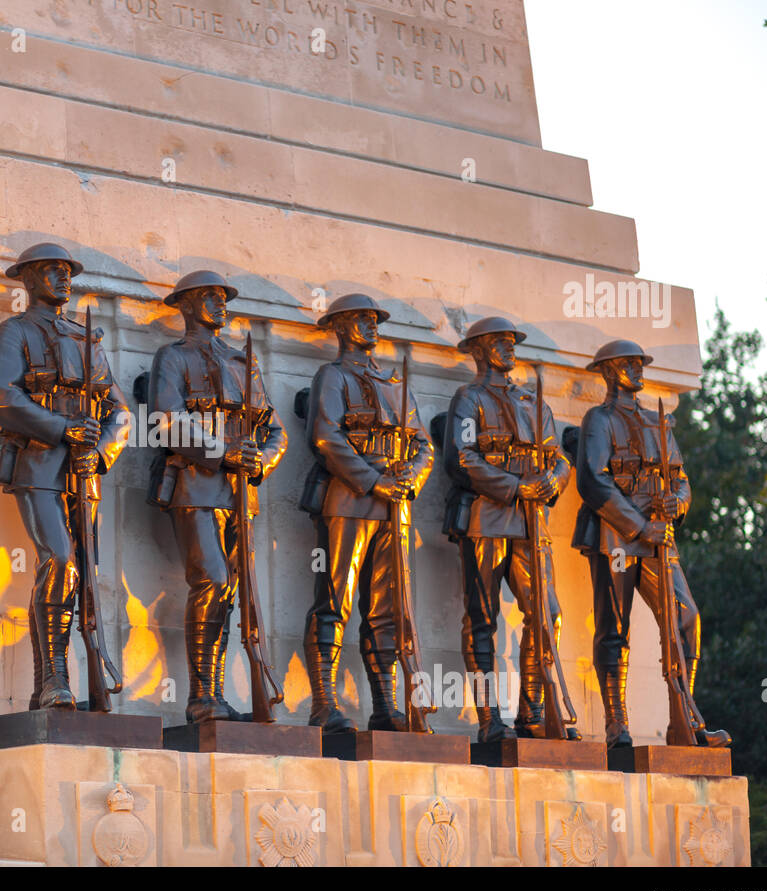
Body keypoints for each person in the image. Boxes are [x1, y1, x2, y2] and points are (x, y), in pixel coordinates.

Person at [0, 242, 130, 709]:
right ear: (27, 280)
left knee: (84, 574)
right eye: (51, 270)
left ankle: (65, 683)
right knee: (60, 561)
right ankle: (52, 679)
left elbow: (120, 412)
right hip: (38, 463)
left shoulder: (87, 338)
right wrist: (64, 428)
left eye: (67, 271)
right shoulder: (16, 331)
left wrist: (103, 450)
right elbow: (2, 398)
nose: (63, 278)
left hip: (84, 471)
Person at [572, 339, 730, 748]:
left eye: (640, 363)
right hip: (618, 539)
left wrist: (676, 502)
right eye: (629, 364)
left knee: (686, 618)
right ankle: (616, 724)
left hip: (661, 540)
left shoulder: (657, 422)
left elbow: (680, 479)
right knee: (614, 628)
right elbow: (592, 481)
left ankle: (686, 718)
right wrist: (640, 526)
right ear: (608, 372)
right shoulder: (598, 420)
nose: (638, 369)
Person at [146, 270, 287, 723]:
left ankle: (216, 695)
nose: (220, 303)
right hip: (195, 483)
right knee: (213, 581)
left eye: (223, 296)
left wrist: (260, 459)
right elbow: (166, 420)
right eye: (209, 296)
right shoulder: (173, 357)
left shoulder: (245, 361)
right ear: (186, 305)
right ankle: (201, 695)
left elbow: (274, 429)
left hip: (240, 491)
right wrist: (224, 451)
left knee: (231, 595)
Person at [299, 294, 433, 734]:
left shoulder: (397, 384)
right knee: (334, 601)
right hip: (350, 498)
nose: (371, 324)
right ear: (339, 327)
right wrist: (375, 481)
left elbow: (423, 446)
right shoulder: (332, 376)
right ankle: (324, 702)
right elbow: (325, 437)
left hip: (395, 505)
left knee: (386, 611)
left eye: (374, 319)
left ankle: (386, 706)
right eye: (361, 318)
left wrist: (409, 479)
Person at [441, 316, 578, 742]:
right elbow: (462, 457)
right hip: (487, 517)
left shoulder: (534, 404)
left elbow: (557, 458)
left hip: (533, 523)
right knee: (482, 620)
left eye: (510, 341)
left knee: (548, 614)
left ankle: (533, 713)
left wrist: (553, 480)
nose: (507, 346)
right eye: (497, 342)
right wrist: (516, 487)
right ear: (479, 350)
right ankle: (489, 720)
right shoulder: (469, 398)